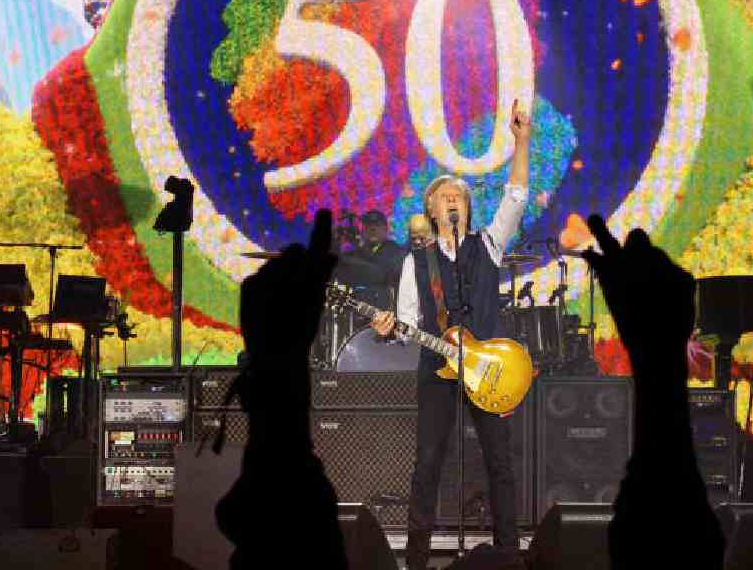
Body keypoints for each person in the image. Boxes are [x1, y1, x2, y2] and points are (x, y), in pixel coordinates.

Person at [371, 100, 531, 570]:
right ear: (431, 209)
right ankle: (416, 562)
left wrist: (521, 142)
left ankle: (508, 556)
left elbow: (517, 197)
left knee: (499, 463)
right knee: (428, 464)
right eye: (445, 195)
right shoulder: (414, 262)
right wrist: (389, 330)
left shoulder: (487, 244)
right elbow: (406, 322)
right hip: (436, 367)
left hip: (489, 370)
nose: (454, 199)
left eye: (459, 194)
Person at [580, 215, 725, 570]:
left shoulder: (642, 321)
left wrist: (607, 257)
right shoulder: (678, 294)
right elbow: (650, 284)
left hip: (654, 463)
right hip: (671, 453)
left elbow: (622, 284)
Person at [215, 210, 348, 570]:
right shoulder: (284, 356)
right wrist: (316, 263)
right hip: (288, 485)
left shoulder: (266, 351)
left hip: (276, 482)